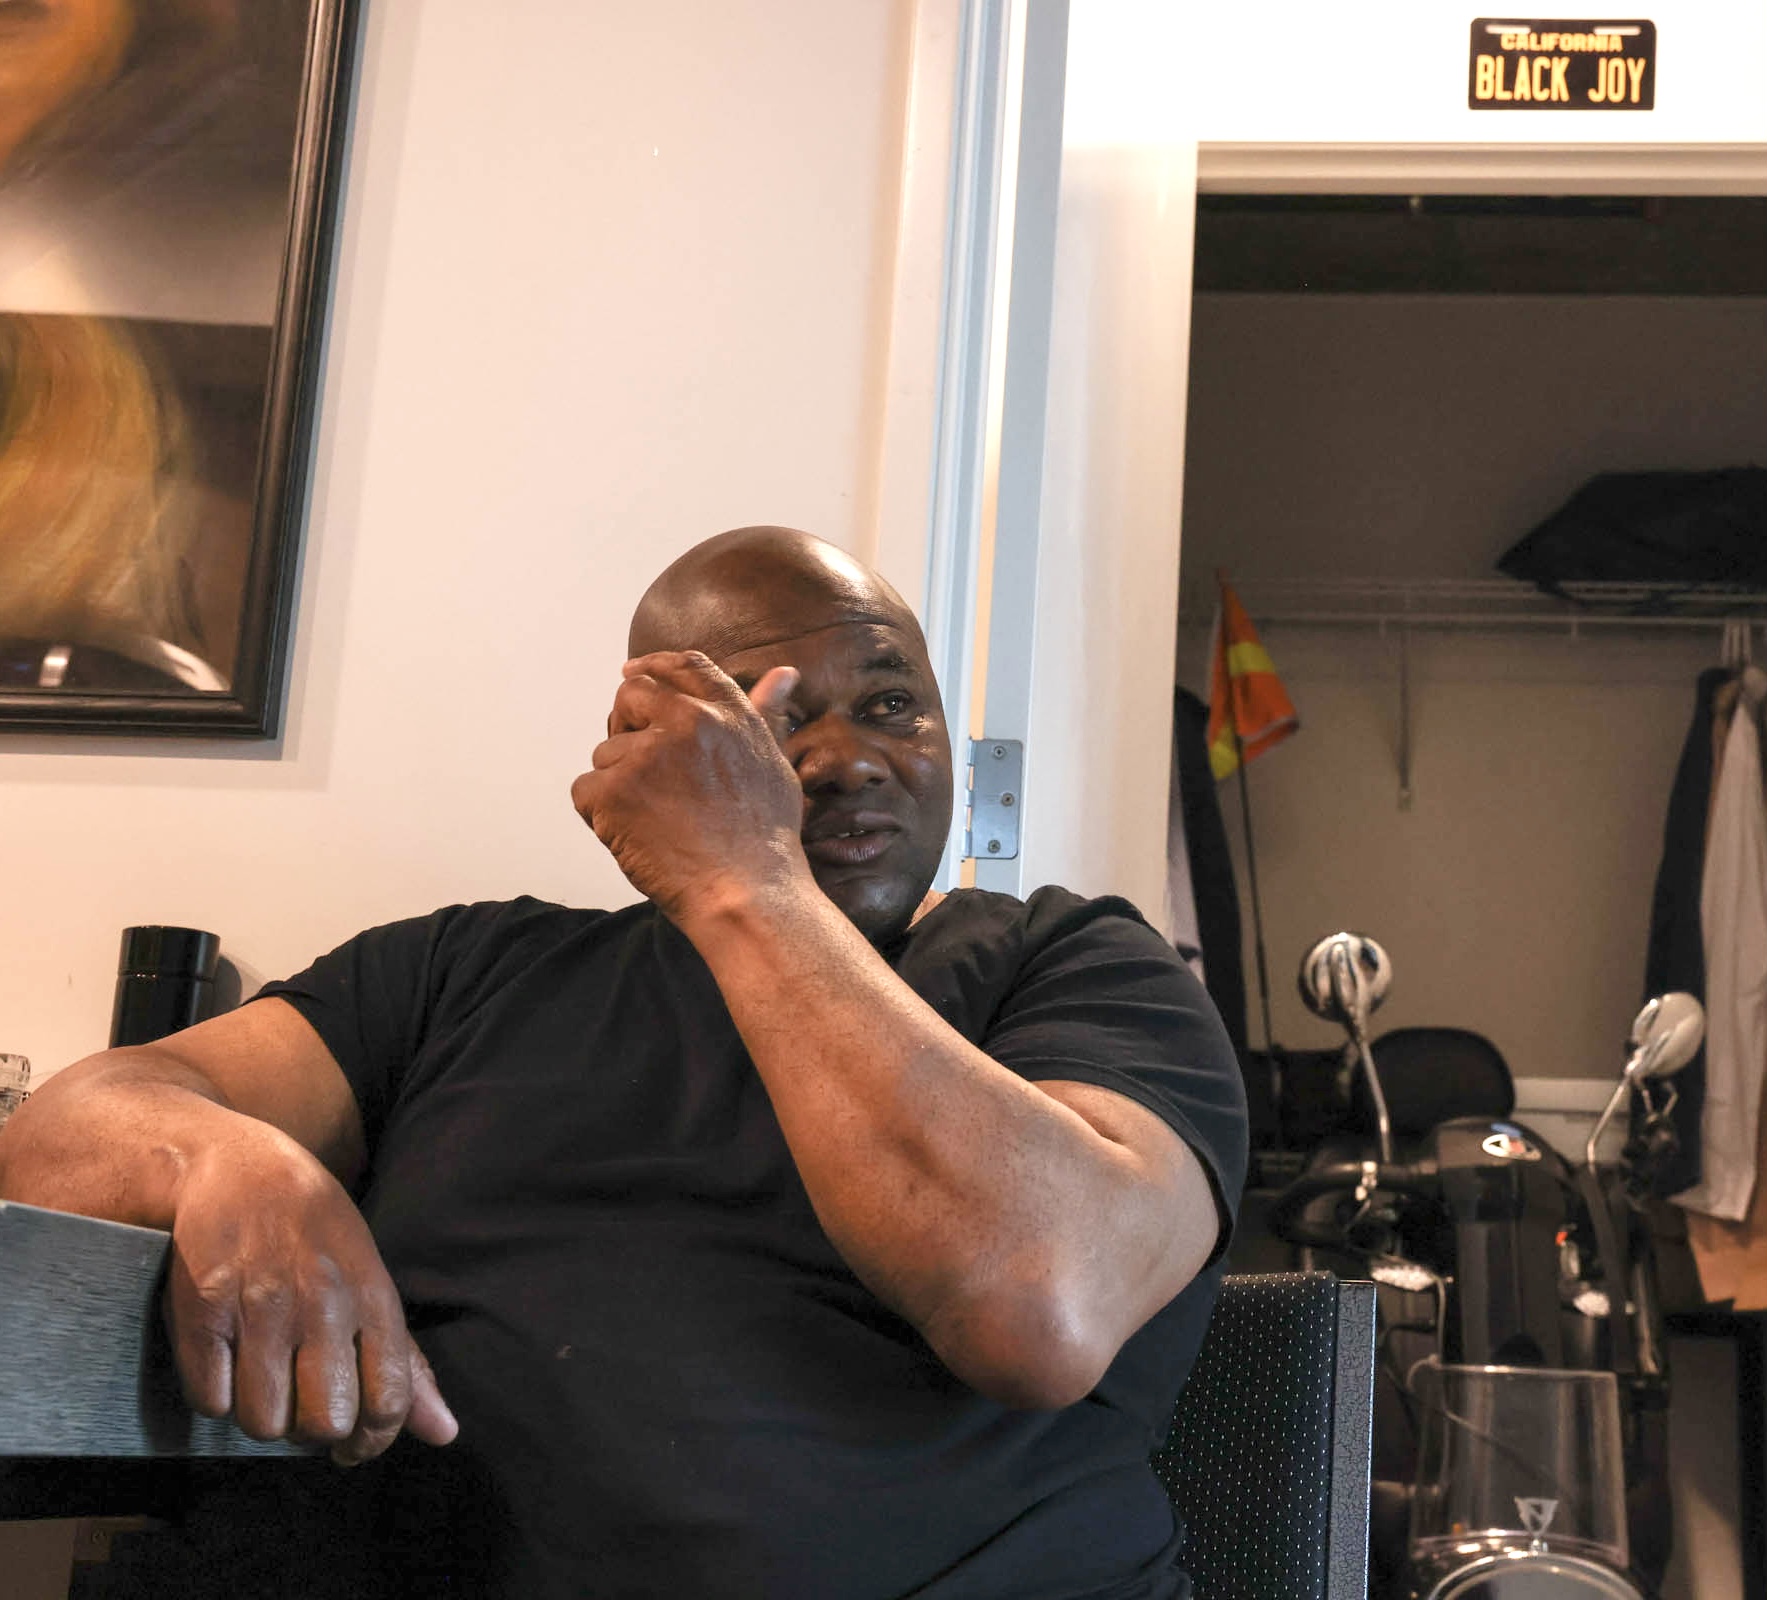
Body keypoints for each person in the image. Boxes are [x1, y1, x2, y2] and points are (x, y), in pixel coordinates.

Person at [0, 526, 1247, 1599]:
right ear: (646, 748)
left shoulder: (1074, 965)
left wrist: (741, 875)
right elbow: (61, 1133)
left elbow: (1037, 1303)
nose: (849, 756)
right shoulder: (457, 974)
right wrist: (226, 1157)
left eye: (888, 704)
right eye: (769, 719)